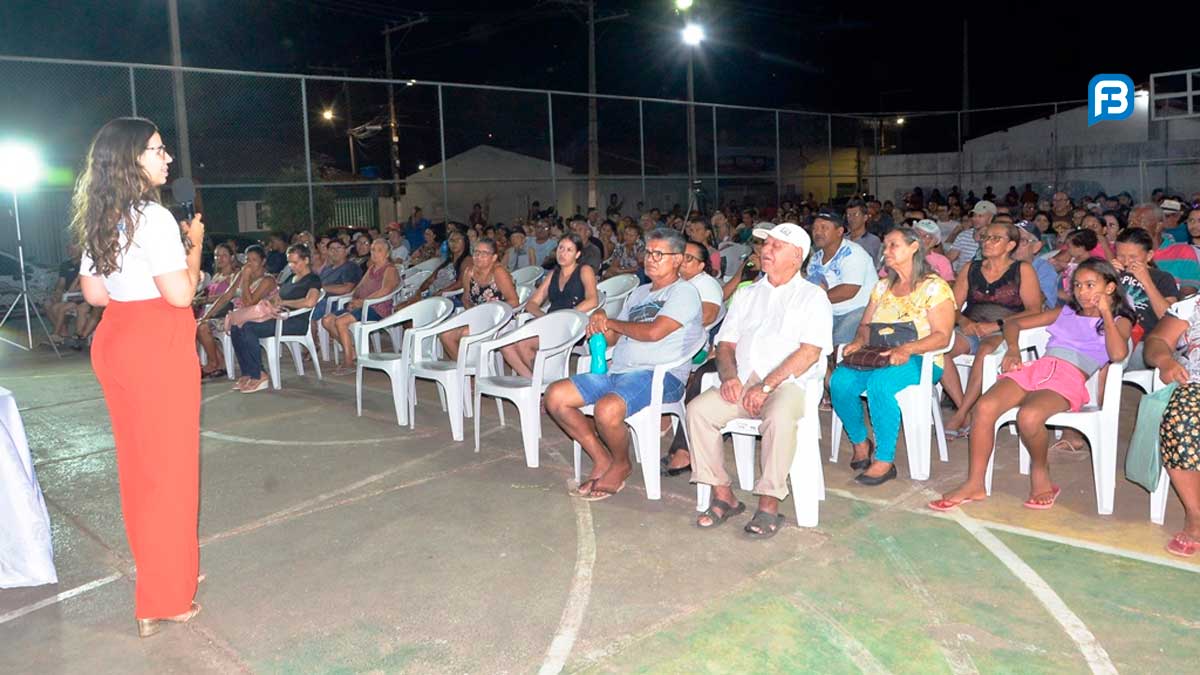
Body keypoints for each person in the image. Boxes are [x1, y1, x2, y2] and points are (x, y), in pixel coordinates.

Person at [72, 117, 204, 636]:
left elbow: (96, 295)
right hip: (156, 342)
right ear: (131, 159)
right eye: (156, 149)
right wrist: (193, 243)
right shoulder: (153, 217)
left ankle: (163, 574)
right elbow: (180, 294)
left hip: (116, 340)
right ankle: (166, 597)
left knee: (140, 470)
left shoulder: (101, 215)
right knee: (170, 471)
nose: (166, 158)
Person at [930, 258, 1134, 511]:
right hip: (1037, 368)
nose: (1082, 292)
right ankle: (975, 483)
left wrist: (1105, 312)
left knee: (1029, 416)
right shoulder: (1065, 312)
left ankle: (1040, 471)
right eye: (1078, 285)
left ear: (1110, 288)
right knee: (984, 408)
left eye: (1091, 285)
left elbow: (1117, 354)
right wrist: (1013, 349)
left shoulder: (1119, 320)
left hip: (1069, 377)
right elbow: (1013, 323)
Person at [686, 223, 832, 535]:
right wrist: (728, 378)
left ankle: (769, 504)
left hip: (789, 384)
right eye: (766, 245)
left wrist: (767, 386)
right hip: (744, 379)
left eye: (776, 247)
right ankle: (723, 496)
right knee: (699, 411)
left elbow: (808, 353)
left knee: (779, 416)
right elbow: (725, 345)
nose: (765, 251)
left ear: (797, 256)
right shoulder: (747, 294)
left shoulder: (812, 297)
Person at [545, 228, 702, 500]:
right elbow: (613, 336)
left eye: (658, 254)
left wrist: (612, 321)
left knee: (607, 408)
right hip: (619, 372)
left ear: (677, 259)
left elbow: (654, 332)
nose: (650, 259)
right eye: (648, 252)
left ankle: (621, 464)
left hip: (659, 376)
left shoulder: (684, 293)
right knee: (555, 396)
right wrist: (600, 317)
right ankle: (602, 457)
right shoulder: (640, 293)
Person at [829, 228, 956, 486]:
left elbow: (943, 336)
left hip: (920, 359)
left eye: (892, 245)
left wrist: (906, 349)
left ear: (914, 248)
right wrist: (858, 341)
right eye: (885, 245)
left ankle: (884, 460)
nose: (885, 251)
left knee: (881, 384)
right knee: (838, 381)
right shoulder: (882, 287)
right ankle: (860, 441)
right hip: (878, 355)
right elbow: (865, 325)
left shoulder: (934, 287)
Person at [941, 222, 1043, 437]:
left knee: (986, 350)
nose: (987, 242)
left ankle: (960, 414)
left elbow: (1034, 310)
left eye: (995, 238)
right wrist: (963, 321)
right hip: (972, 327)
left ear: (1010, 245)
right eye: (986, 237)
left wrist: (997, 325)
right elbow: (953, 306)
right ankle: (964, 409)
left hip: (1006, 329)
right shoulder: (971, 268)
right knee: (941, 351)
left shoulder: (1022, 269)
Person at [1143, 300, 1200, 556]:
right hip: (1195, 385)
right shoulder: (1191, 306)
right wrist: (1165, 361)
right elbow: (1156, 341)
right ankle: (1195, 514)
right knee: (1180, 419)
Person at [501, 233, 599, 377]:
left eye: (569, 250)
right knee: (506, 345)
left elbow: (592, 300)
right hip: (550, 323)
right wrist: (545, 317)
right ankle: (535, 383)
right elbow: (532, 303)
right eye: (560, 248)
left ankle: (541, 384)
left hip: (572, 326)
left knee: (523, 345)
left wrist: (565, 316)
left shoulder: (584, 270)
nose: (562, 253)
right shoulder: (554, 274)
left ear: (577, 254)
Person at [230, 245, 323, 392]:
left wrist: (285, 303)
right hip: (278, 317)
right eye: (289, 262)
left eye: (295, 262)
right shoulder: (291, 278)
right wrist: (270, 302)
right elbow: (277, 298)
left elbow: (310, 302)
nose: (291, 266)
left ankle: (259, 374)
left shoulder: (313, 279)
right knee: (236, 326)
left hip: (294, 321)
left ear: (306, 260)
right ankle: (247, 372)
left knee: (248, 328)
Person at [319, 238, 401, 374]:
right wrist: (354, 300)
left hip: (377, 308)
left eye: (379, 250)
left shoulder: (389, 269)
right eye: (373, 250)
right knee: (327, 320)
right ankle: (352, 351)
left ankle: (348, 362)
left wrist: (363, 302)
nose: (375, 253)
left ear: (387, 253)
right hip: (363, 305)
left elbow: (385, 290)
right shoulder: (372, 268)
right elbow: (359, 287)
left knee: (340, 322)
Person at [438, 238, 520, 361]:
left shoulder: (499, 272)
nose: (478, 256)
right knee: (445, 335)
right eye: (476, 252)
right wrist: (474, 313)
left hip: (501, 320)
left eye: (484, 253)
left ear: (494, 257)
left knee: (465, 334)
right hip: (478, 317)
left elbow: (514, 301)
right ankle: (466, 371)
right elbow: (466, 299)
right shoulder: (469, 272)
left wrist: (489, 313)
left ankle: (474, 371)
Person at [806, 212, 877, 346]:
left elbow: (848, 291)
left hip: (858, 310)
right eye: (815, 228)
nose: (817, 232)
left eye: (824, 228)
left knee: (838, 345)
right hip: (829, 311)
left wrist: (813, 299)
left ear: (839, 231)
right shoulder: (815, 258)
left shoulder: (853, 253)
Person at [1113, 227, 1178, 370]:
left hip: (1146, 341)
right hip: (1113, 334)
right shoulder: (1113, 273)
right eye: (1120, 256)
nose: (1126, 262)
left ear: (1149, 256)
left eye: (1133, 257)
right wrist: (1106, 276)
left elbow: (1168, 318)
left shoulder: (1162, 278)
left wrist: (1146, 281)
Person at [194, 242, 240, 378]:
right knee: (190, 325)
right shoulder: (216, 276)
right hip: (210, 313)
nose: (219, 258)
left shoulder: (235, 275)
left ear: (232, 257)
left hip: (225, 314)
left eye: (223, 255)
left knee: (201, 327)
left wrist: (207, 300)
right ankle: (218, 361)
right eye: (216, 256)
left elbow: (228, 296)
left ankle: (213, 363)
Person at [945, 200, 996, 273]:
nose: (975, 219)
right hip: (961, 277)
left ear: (991, 218)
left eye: (980, 216)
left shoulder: (996, 238)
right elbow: (949, 258)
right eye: (974, 215)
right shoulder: (963, 235)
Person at [844, 198, 882, 263]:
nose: (851, 218)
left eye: (855, 214)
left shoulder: (873, 241)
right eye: (848, 215)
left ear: (865, 217)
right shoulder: (841, 239)